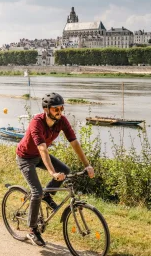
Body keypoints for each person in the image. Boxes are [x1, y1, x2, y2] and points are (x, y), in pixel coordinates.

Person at [16, 92, 95, 247]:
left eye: (61, 108)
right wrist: (52, 172)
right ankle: (32, 230)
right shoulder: (36, 123)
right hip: (25, 158)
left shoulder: (62, 121)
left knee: (65, 170)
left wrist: (87, 165)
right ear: (46, 109)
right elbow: (43, 149)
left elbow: (74, 143)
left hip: (39, 156)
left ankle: (48, 195)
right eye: (55, 109)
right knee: (37, 191)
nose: (59, 111)